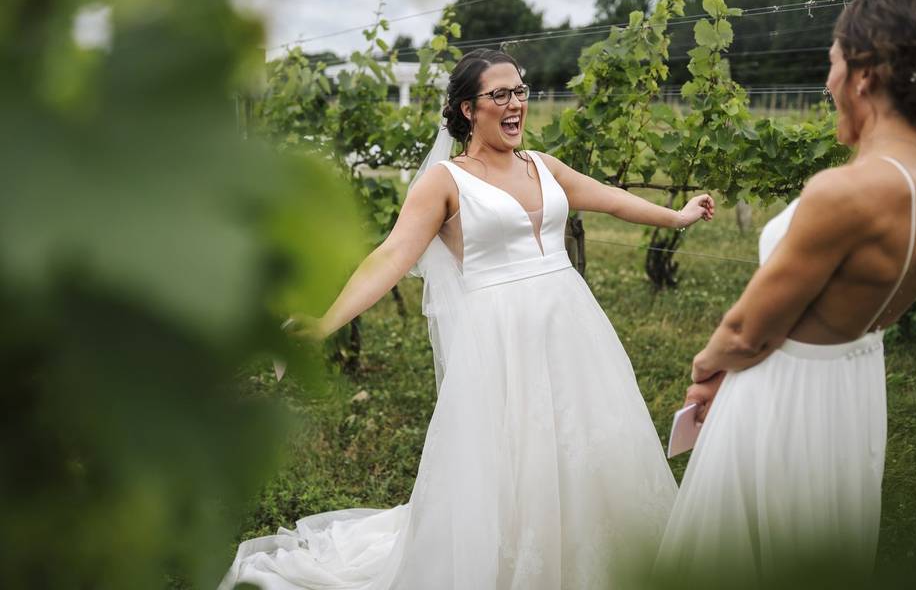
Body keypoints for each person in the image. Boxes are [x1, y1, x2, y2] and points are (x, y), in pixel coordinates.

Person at [219, 48, 714, 589]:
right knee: (511, 458)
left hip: (570, 328)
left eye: (520, 91)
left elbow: (611, 198)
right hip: (497, 341)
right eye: (499, 94)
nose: (515, 103)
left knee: (587, 441)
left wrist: (678, 215)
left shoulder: (542, 166)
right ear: (465, 109)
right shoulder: (445, 182)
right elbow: (390, 257)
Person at [655, 0, 916, 584]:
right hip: (853, 384)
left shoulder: (843, 191)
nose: (827, 84)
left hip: (786, 390)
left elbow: (747, 331)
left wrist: (705, 369)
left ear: (865, 75)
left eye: (833, 64)